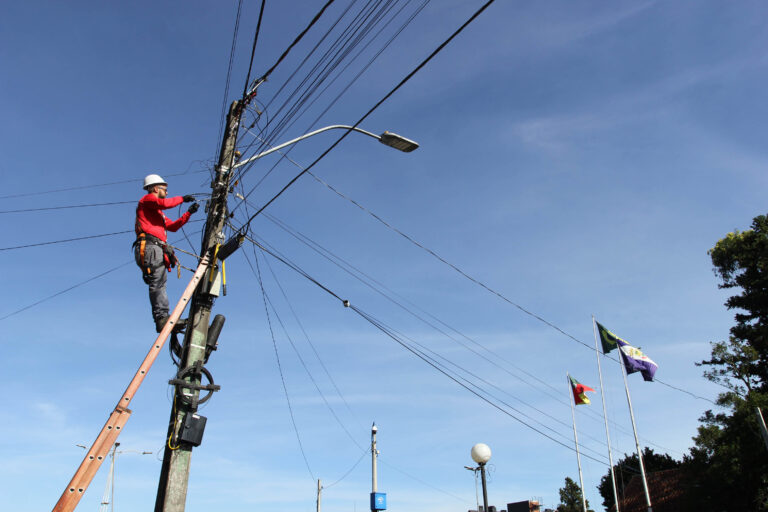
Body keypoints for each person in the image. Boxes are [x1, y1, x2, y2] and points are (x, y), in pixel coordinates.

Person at [134, 174, 199, 332]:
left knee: (160, 283)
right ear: (155, 188)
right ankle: (161, 318)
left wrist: (188, 213)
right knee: (158, 283)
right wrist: (182, 199)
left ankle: (164, 317)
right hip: (150, 246)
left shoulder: (157, 213)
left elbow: (174, 226)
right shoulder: (147, 200)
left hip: (155, 248)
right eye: (165, 189)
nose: (167, 192)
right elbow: (164, 203)